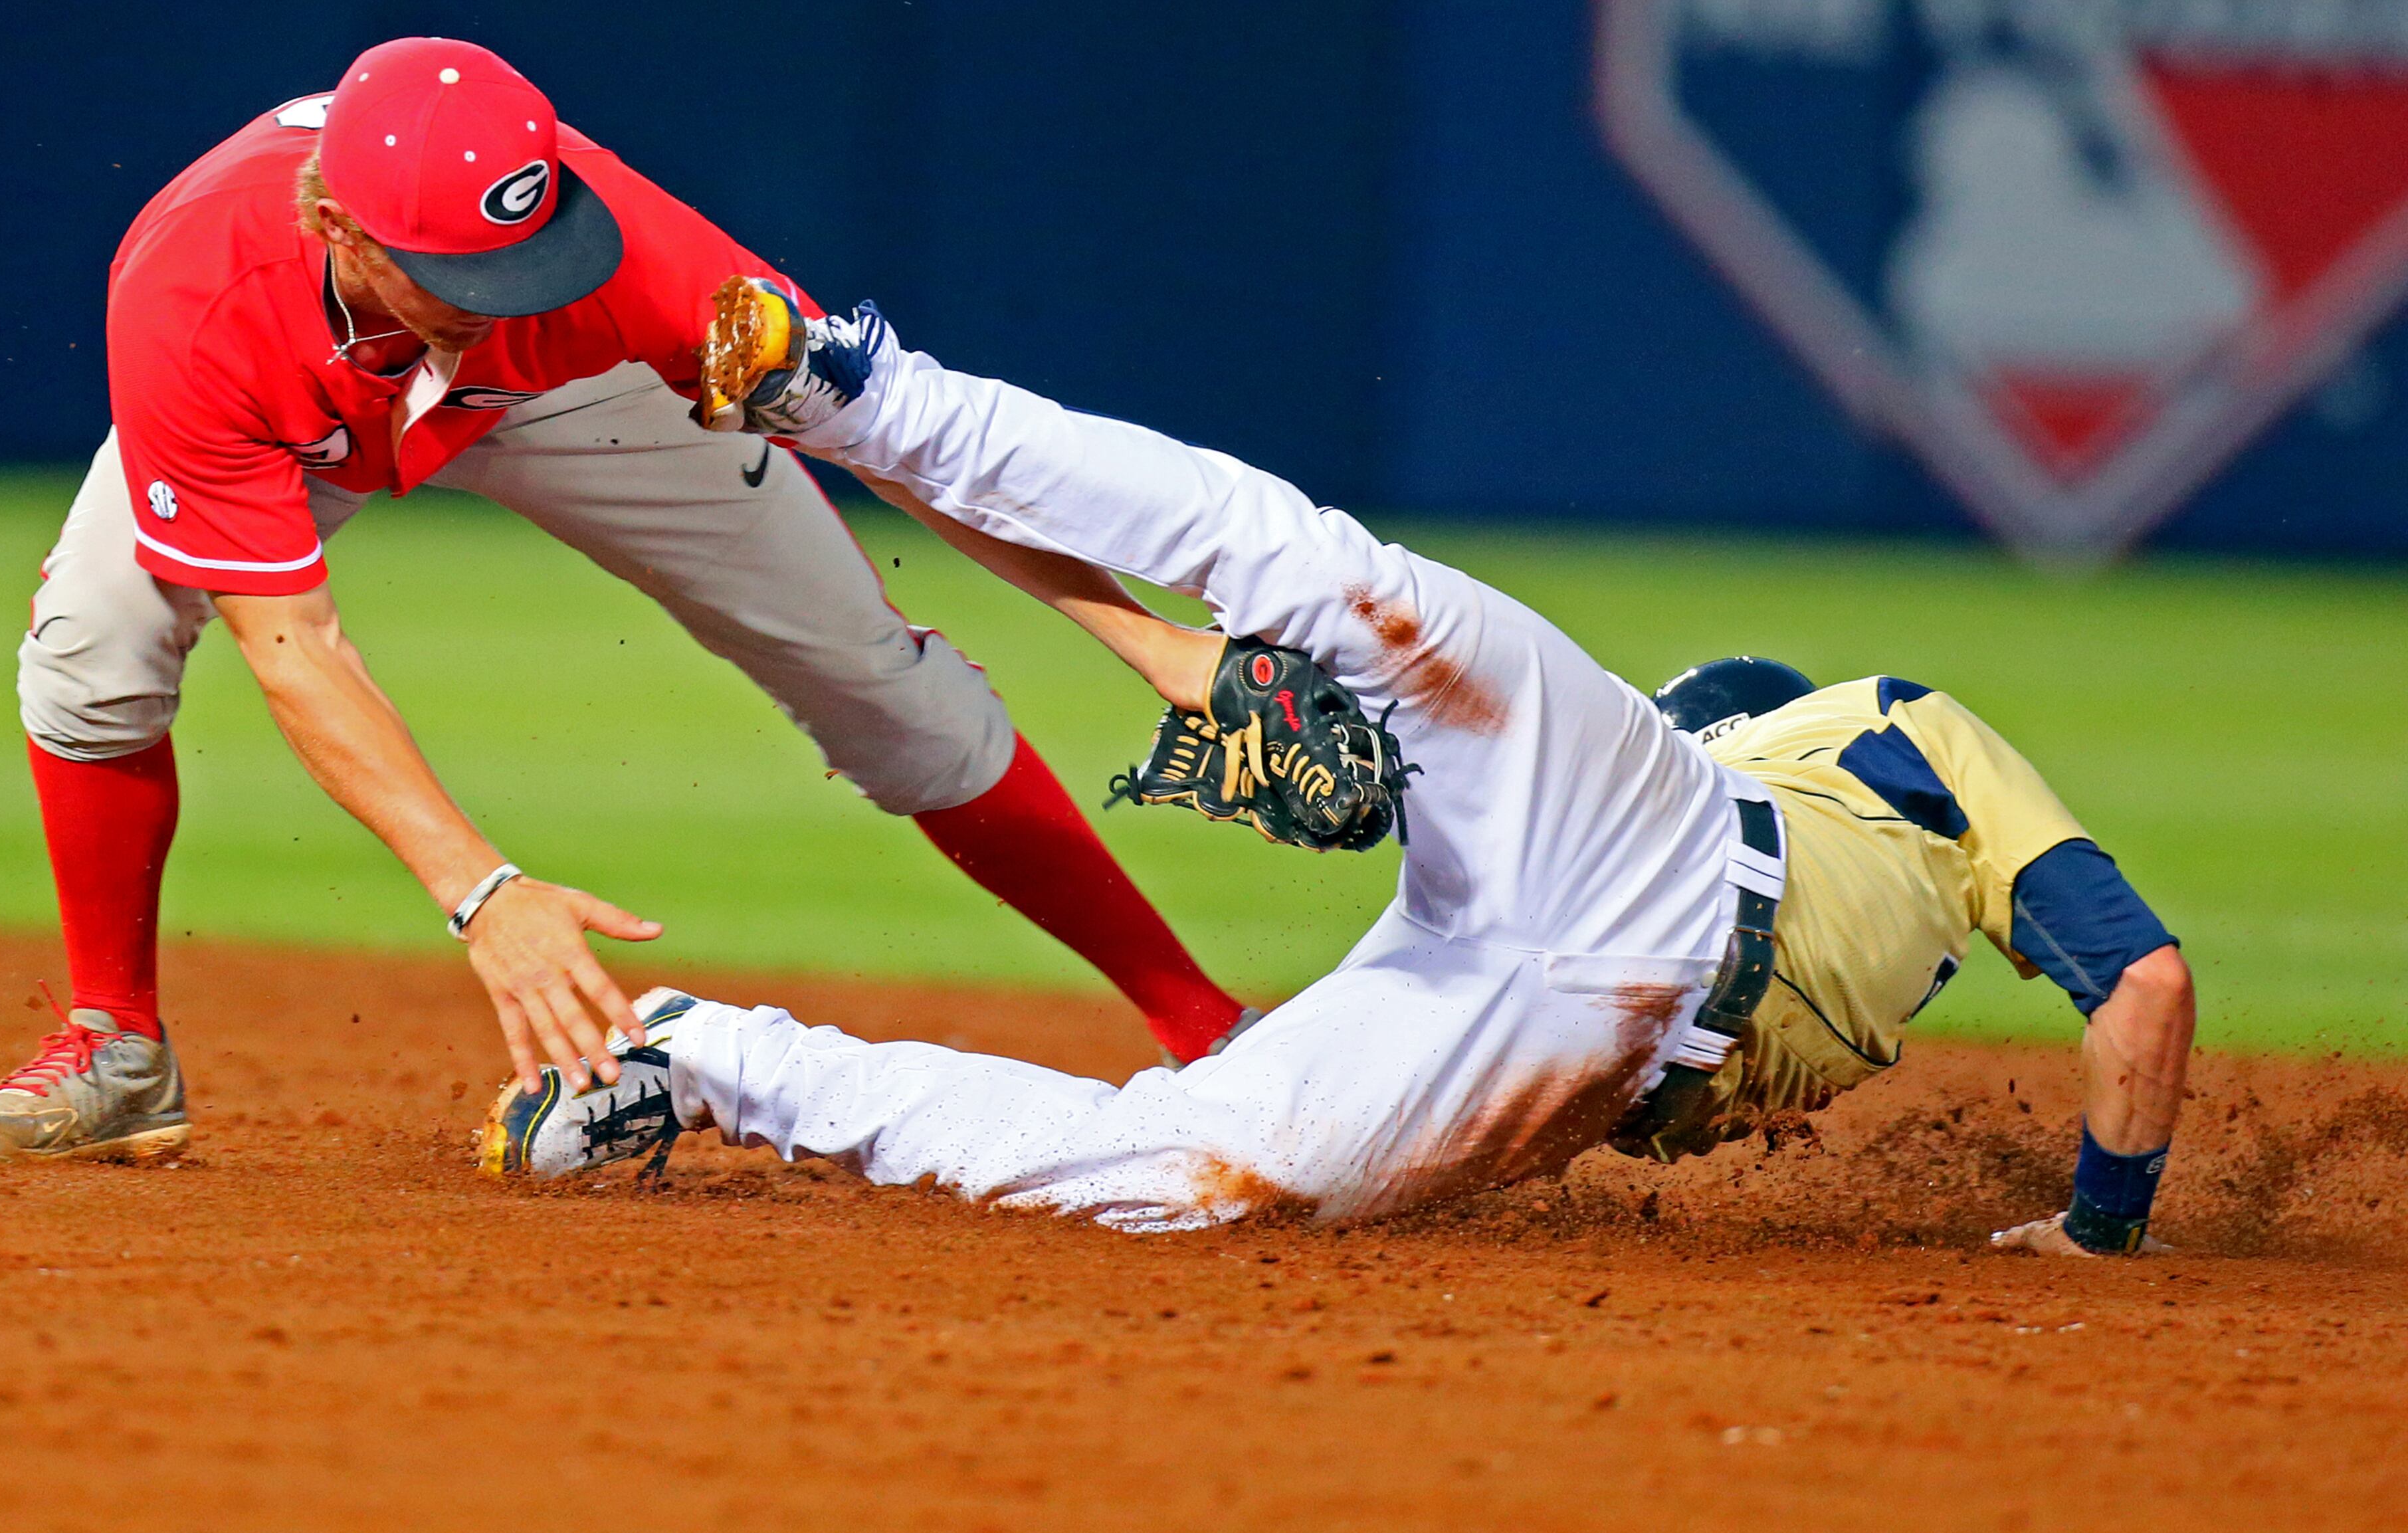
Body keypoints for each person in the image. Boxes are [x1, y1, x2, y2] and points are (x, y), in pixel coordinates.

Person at [482, 288, 2195, 1257]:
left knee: (1179, 1173)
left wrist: (875, 469)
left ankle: (694, 1053)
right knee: (1305, 568)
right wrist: (2105, 1227)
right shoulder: (1854, 742)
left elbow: (1154, 628)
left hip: (1551, 986)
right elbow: (2145, 978)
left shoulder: (1843, 733)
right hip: (1650, 858)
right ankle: (855, 378)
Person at [0, 39, 1252, 1167]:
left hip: (576, 390)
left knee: (884, 682)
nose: (512, 285)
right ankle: (115, 1046)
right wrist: (481, 891)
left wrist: (1149, 641)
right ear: (337, 230)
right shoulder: (195, 298)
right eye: (469, 273)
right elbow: (295, 646)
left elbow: (898, 442)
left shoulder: (616, 261)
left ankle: (1206, 1027)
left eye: (533, 248)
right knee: (91, 647)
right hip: (290, 412)